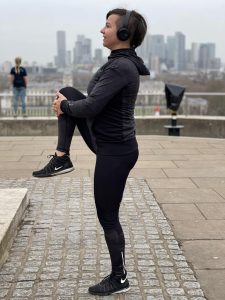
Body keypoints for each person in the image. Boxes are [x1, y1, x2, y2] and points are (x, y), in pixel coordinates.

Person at [32, 8, 150, 296]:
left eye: (107, 26)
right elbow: (87, 102)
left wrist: (64, 108)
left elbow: (92, 106)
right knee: (68, 91)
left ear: (123, 34)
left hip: (116, 152)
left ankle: (119, 277)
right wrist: (68, 103)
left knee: (107, 216)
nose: (102, 30)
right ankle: (62, 158)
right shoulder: (117, 63)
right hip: (106, 142)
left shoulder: (121, 68)